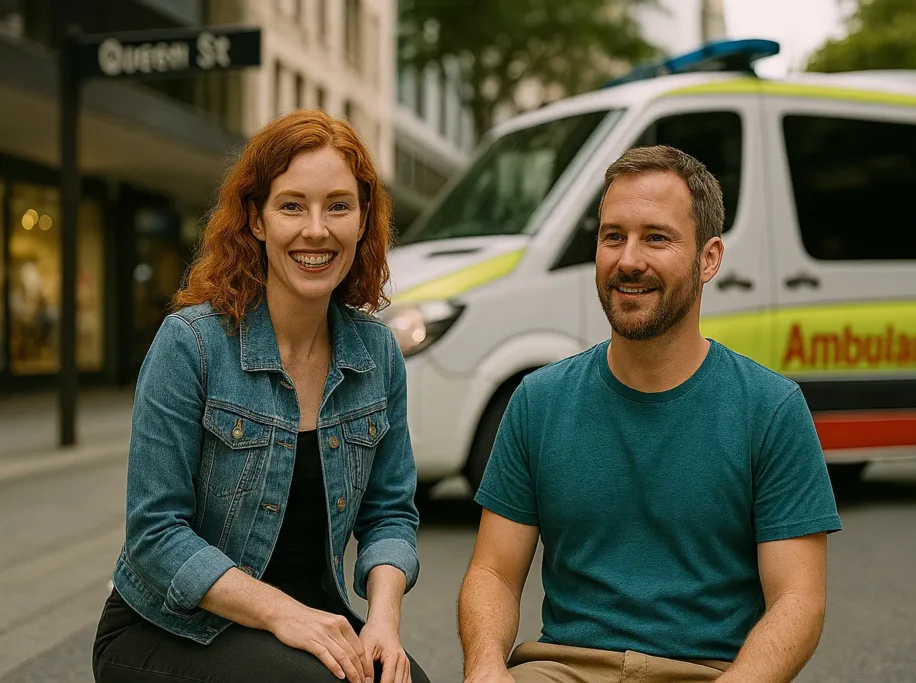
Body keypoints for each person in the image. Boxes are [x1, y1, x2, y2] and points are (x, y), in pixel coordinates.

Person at [457, 145, 842, 683]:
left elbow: (798, 601)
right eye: (613, 236)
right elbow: (493, 573)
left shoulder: (771, 409)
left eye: (655, 237)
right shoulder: (538, 401)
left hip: (706, 673)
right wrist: (485, 667)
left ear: (708, 259)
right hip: (563, 669)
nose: (628, 259)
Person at [93, 110, 430, 683]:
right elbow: (155, 534)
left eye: (338, 206)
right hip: (169, 630)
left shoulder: (376, 353)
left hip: (308, 625)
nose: (316, 230)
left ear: (363, 219)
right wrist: (286, 615)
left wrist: (383, 623)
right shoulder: (191, 345)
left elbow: (389, 514)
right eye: (292, 205)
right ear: (256, 219)